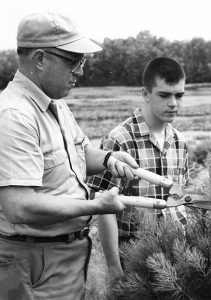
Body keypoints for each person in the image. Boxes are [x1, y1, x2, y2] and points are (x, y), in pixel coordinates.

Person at [0, 12, 140, 300]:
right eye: (74, 61)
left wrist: (108, 159)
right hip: (34, 263)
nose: (81, 71)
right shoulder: (14, 115)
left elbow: (77, 154)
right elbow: (18, 205)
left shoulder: (55, 102)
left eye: (82, 62)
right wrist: (94, 206)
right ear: (40, 59)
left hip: (63, 258)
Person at [88, 57, 189, 278]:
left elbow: (181, 199)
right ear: (145, 93)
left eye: (179, 95)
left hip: (176, 255)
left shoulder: (180, 141)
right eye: (164, 95)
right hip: (133, 254)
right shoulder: (119, 140)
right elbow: (103, 207)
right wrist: (115, 270)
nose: (173, 103)